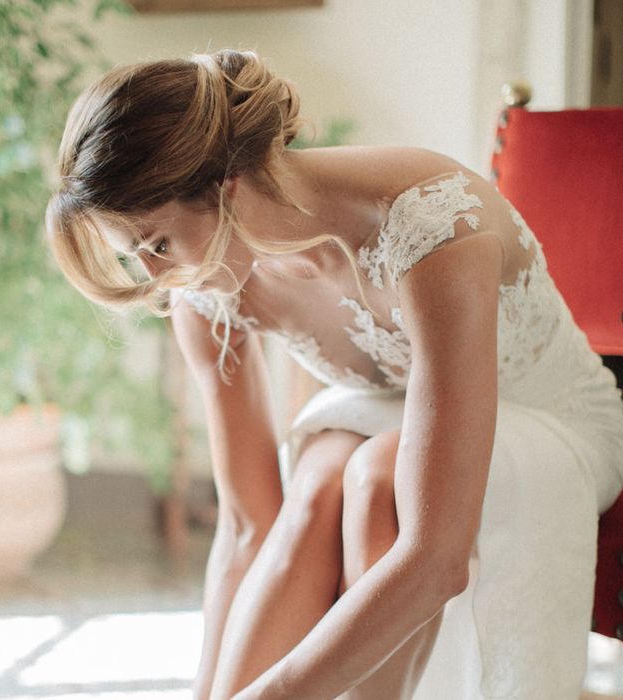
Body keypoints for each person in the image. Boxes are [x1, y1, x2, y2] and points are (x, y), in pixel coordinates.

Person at [45, 49, 623, 700]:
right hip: (397, 411)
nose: (160, 279)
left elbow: (437, 561)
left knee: (378, 474)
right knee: (321, 473)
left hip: (558, 422)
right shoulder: (200, 291)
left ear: (224, 187)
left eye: (157, 244)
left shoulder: (428, 223)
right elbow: (247, 526)